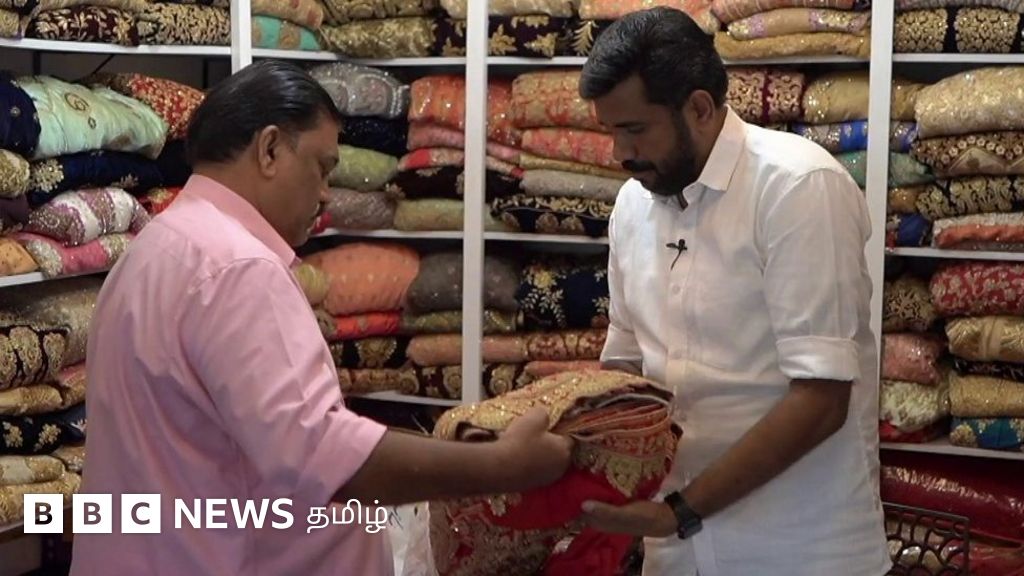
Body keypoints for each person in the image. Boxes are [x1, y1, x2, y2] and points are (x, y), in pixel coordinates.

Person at [70, 60, 572, 576]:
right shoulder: (239, 267)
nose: (327, 193)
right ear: (269, 149)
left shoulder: (157, 245)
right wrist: (503, 467)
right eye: (322, 167)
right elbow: (318, 456)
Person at [574, 8, 890, 576]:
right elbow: (626, 373)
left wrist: (680, 512)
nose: (620, 154)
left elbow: (820, 400)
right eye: (611, 131)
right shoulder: (632, 205)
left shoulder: (795, 187)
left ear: (698, 107)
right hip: (674, 553)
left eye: (635, 129)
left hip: (798, 550)